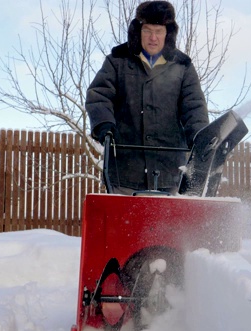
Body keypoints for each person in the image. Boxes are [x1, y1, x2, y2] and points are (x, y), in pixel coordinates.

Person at [86, 0, 209, 195]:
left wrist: (200, 137)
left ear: (167, 33)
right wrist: (104, 126)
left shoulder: (182, 67)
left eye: (158, 31)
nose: (153, 38)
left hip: (169, 171)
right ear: (138, 31)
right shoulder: (118, 61)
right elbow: (99, 95)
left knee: (168, 226)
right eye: (147, 30)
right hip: (125, 171)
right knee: (125, 224)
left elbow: (194, 107)